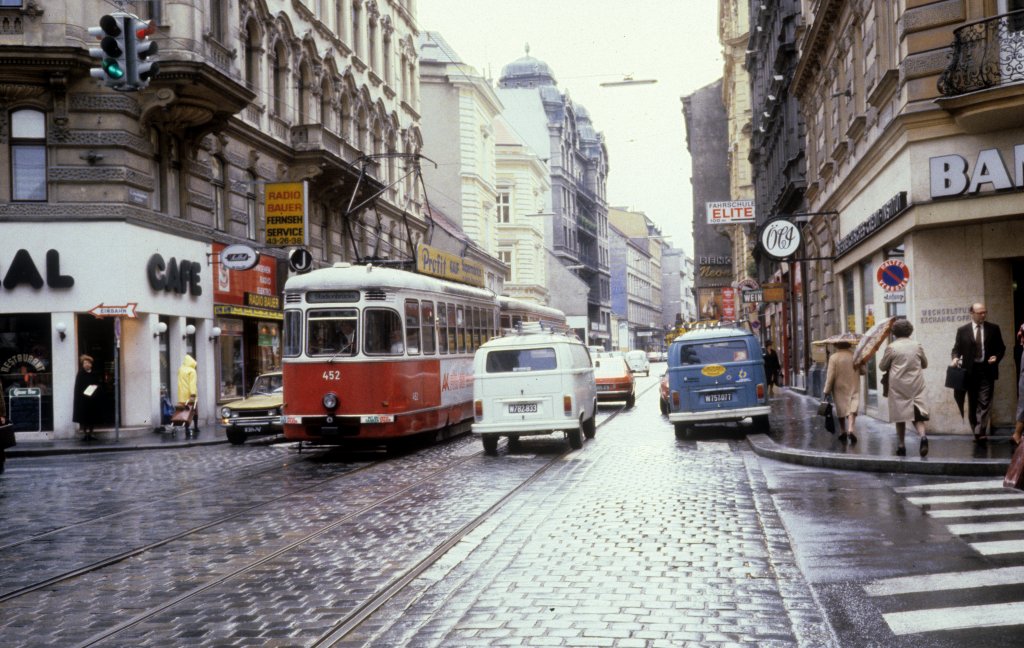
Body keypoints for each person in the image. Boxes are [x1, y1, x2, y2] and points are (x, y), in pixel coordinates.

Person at [950, 302, 1005, 442]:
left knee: (985, 401)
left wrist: (996, 357)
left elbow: (1001, 348)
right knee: (973, 402)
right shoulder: (963, 330)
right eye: (980, 313)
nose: (983, 315)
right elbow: (956, 349)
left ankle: (980, 430)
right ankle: (976, 428)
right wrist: (955, 358)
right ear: (972, 313)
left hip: (987, 370)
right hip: (969, 372)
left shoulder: (993, 329)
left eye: (985, 312)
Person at [881, 319, 930, 457]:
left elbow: (882, 366)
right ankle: (923, 437)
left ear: (894, 332)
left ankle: (901, 445)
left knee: (900, 416)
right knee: (917, 414)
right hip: (916, 384)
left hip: (898, 386)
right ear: (910, 331)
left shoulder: (892, 347)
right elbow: (925, 364)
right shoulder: (917, 345)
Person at [823, 340, 863, 444]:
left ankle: (842, 431)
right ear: (849, 345)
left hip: (839, 386)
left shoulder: (834, 357)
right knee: (852, 408)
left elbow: (830, 376)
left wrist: (826, 390)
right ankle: (850, 429)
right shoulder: (855, 355)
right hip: (853, 384)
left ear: (836, 345)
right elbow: (863, 371)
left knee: (841, 408)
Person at [72, 354, 102, 440]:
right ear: (83, 364)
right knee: (84, 418)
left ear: (91, 364)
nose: (87, 365)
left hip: (93, 399)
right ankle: (86, 434)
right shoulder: (80, 374)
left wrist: (95, 387)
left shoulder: (94, 373)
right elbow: (78, 387)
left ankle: (91, 433)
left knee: (92, 418)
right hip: (83, 400)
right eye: (85, 363)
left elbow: (98, 384)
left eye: (88, 363)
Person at [177, 354, 199, 436]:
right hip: (190, 395)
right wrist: (193, 394)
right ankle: (196, 427)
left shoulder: (180, 369)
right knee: (194, 411)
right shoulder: (192, 371)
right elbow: (192, 384)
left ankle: (186, 428)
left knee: (185, 412)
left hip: (181, 395)